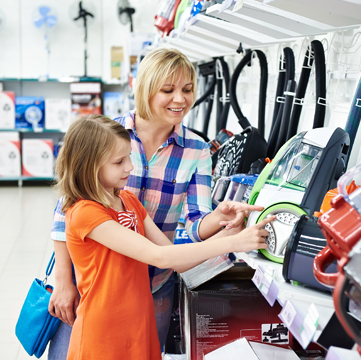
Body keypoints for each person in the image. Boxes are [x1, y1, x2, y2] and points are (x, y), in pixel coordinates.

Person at [48, 48, 262, 359]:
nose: (180, 100)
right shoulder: (107, 135)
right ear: (146, 89)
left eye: (187, 90)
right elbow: (64, 213)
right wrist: (63, 281)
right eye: (168, 90)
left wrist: (222, 222)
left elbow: (191, 226)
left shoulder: (195, 150)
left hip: (151, 286)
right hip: (92, 288)